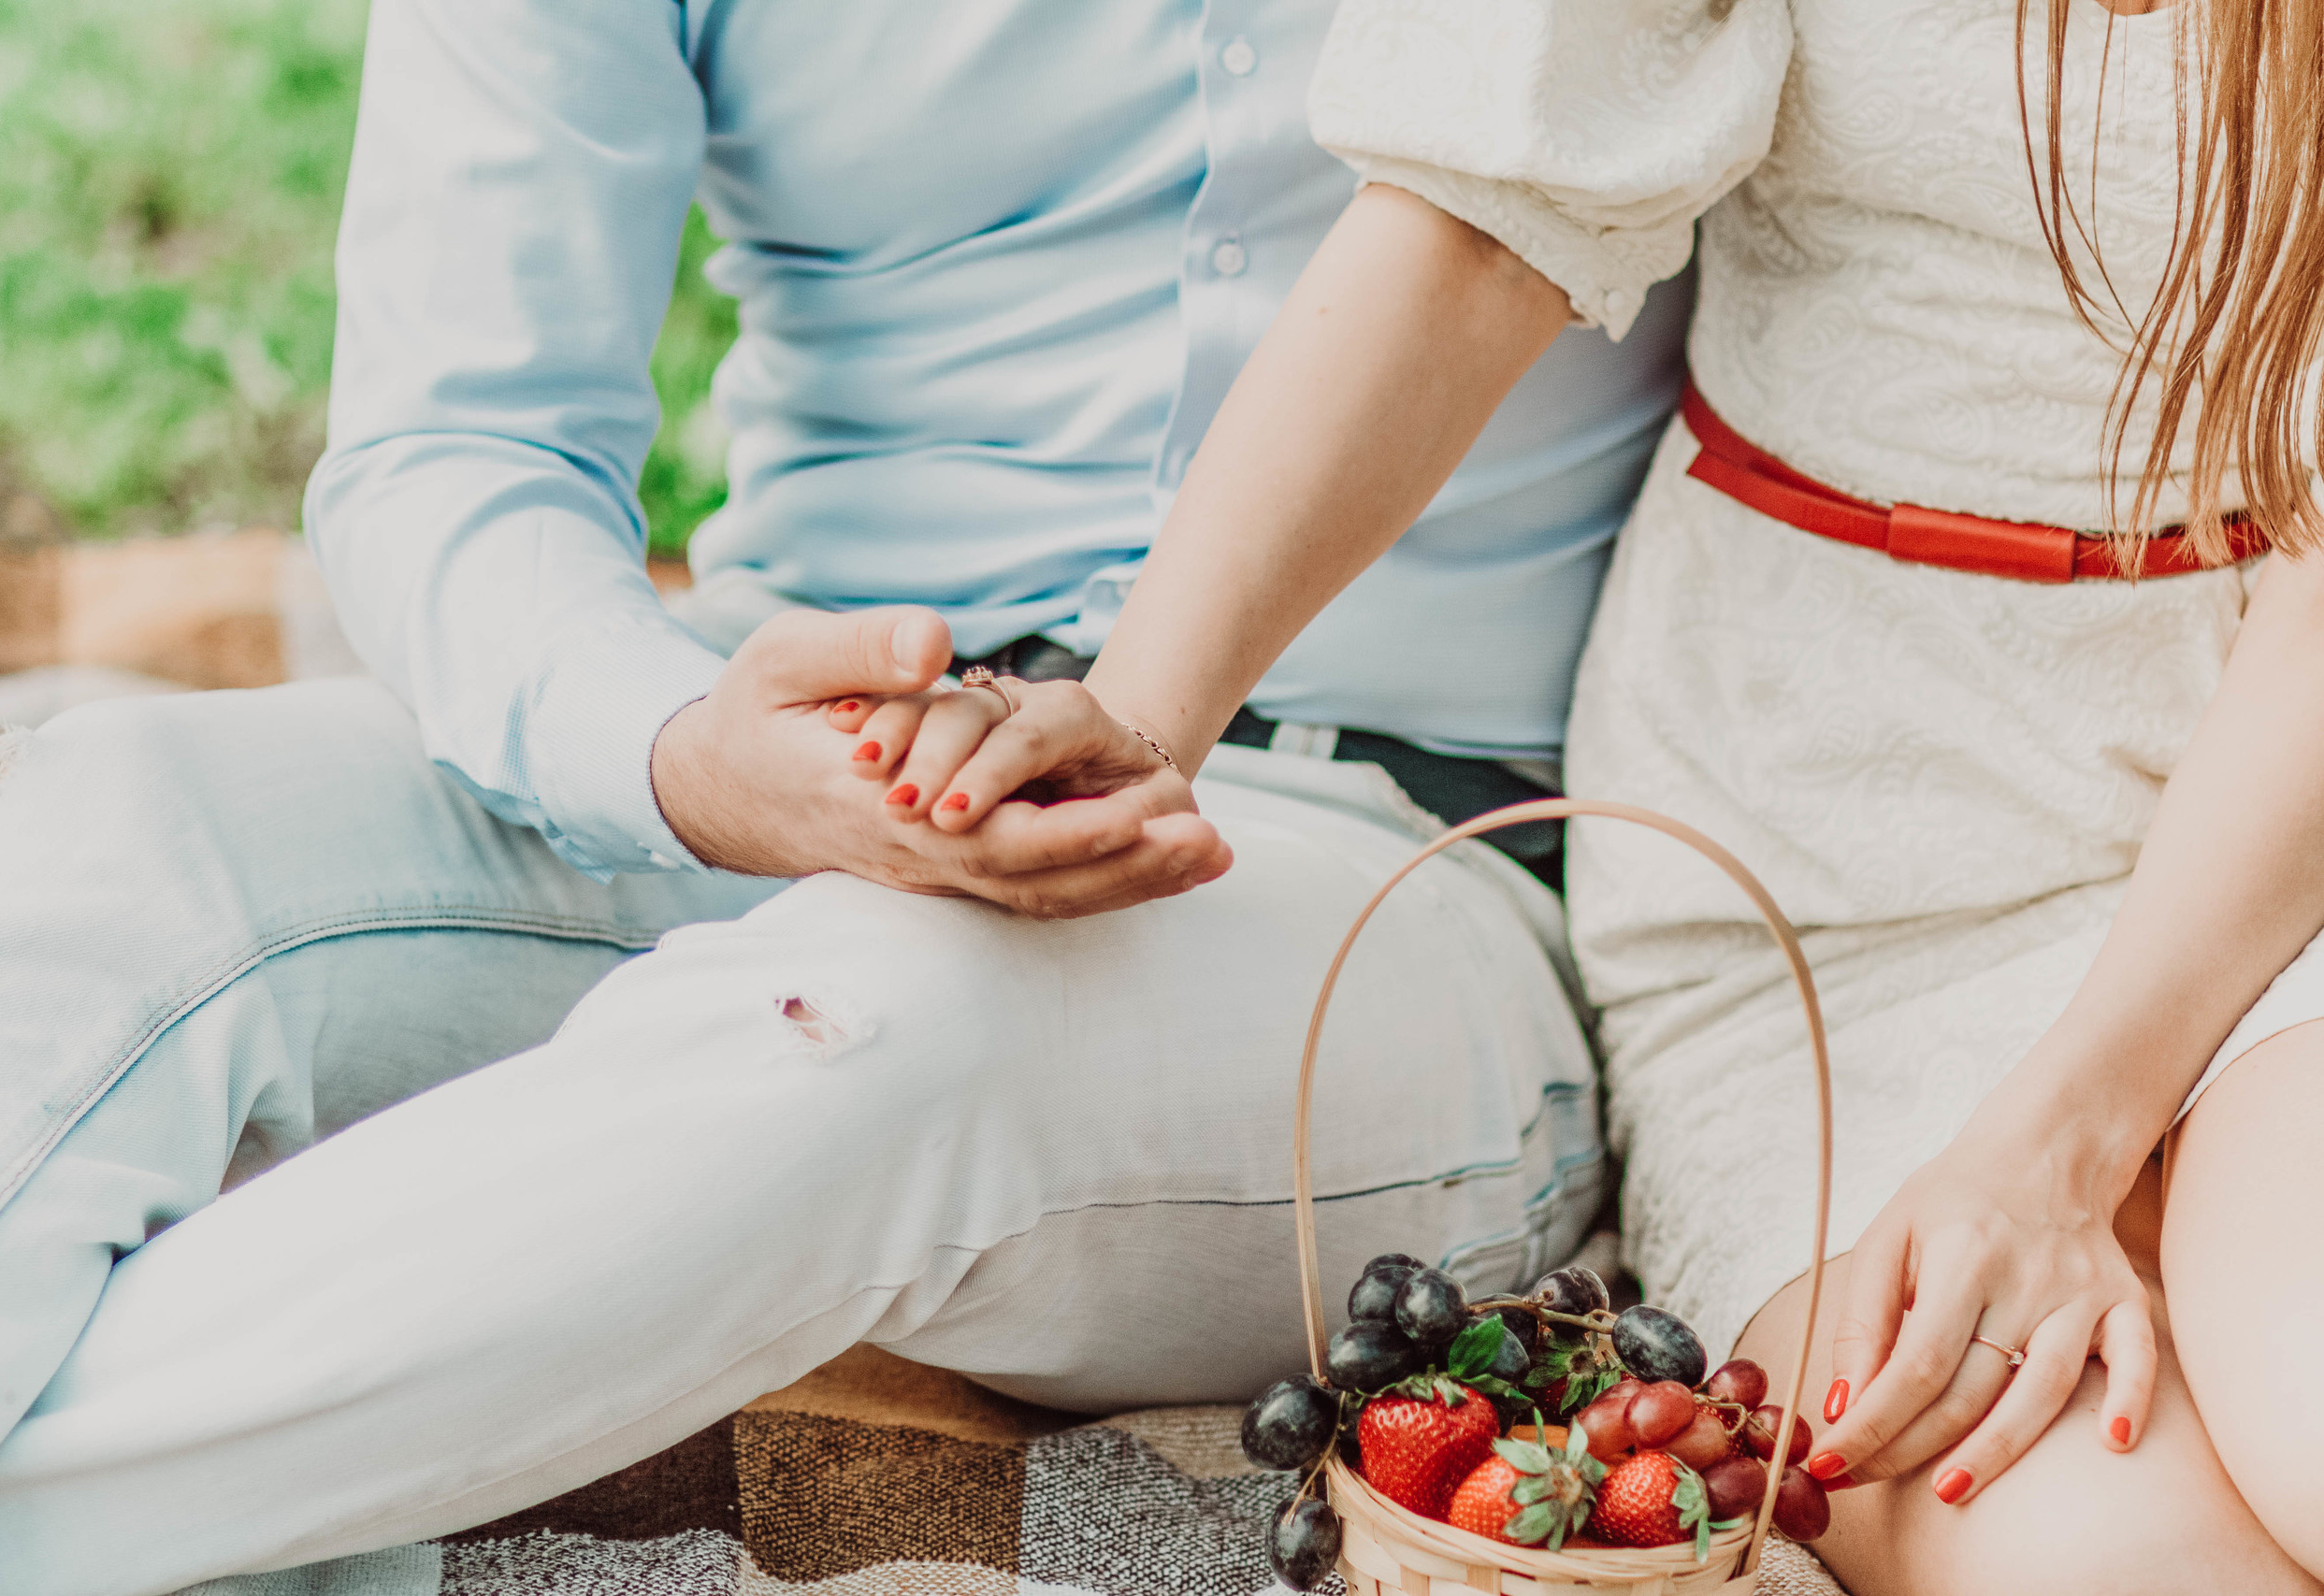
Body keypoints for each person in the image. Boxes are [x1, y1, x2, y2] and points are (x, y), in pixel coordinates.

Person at [0, 2, 1696, 1590]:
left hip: (1373, 854)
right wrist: (685, 752)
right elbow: (455, 448)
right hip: (797, 739)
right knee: (108, 814)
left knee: (857, 1023)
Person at [877, 0, 2324, 1589]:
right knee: (2115, 1560)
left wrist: (2057, 1150)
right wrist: (1145, 719)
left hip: (2279, 848)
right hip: (1823, 891)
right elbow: (1478, 227)